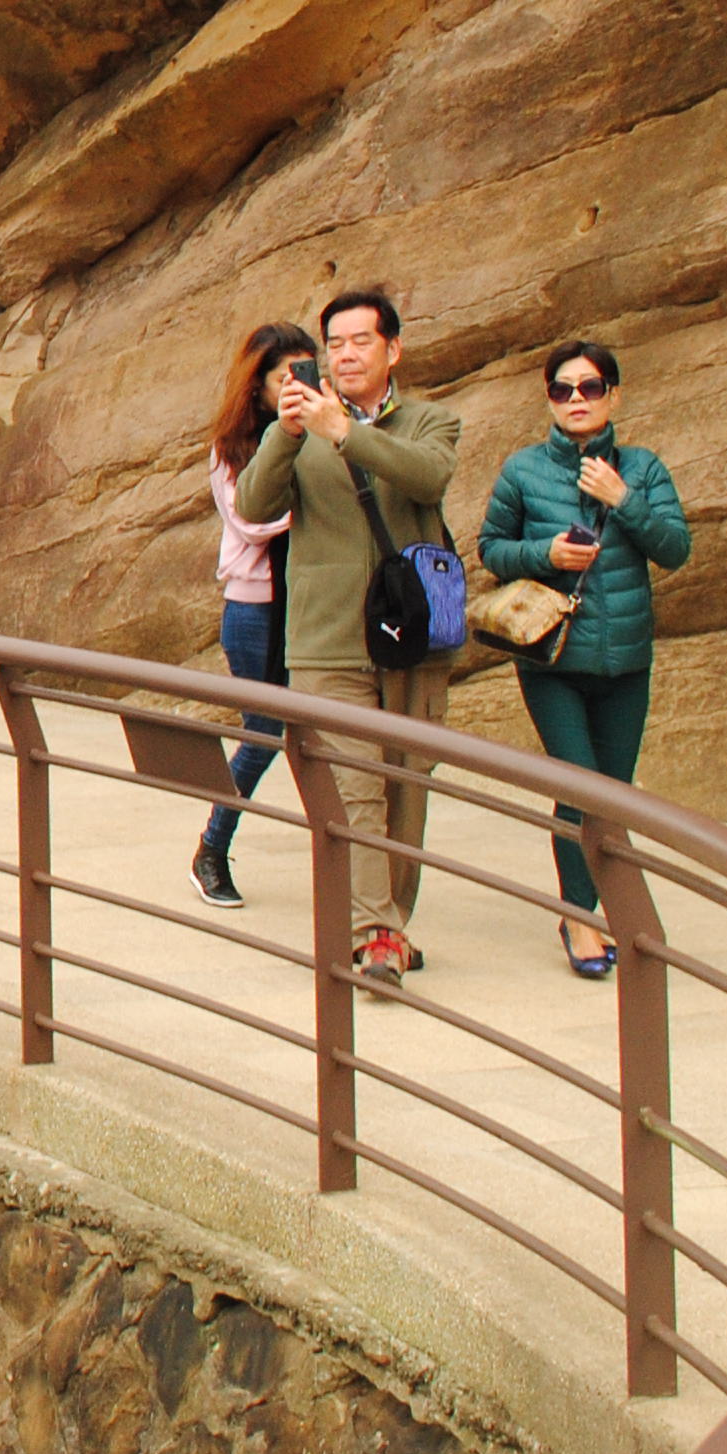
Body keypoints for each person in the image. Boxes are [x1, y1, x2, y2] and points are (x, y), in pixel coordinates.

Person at [235, 288, 460, 993]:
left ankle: (389, 922)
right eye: (335, 343)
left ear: (393, 349)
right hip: (328, 640)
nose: (347, 354)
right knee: (356, 792)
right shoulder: (297, 428)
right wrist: (287, 432)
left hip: (414, 640)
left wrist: (346, 431)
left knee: (407, 790)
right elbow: (253, 505)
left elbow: (427, 476)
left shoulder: (431, 420)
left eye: (362, 341)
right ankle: (375, 935)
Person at [477, 340, 692, 978]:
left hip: (625, 660)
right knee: (579, 786)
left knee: (613, 795)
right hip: (552, 661)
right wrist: (546, 553)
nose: (577, 399)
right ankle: (579, 916)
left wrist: (624, 499)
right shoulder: (523, 471)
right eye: (562, 389)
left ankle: (602, 908)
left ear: (613, 396)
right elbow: (491, 548)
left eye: (591, 387)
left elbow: (675, 548)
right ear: (549, 399)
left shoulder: (642, 469)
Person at [189, 322, 314, 910]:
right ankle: (211, 849)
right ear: (258, 383)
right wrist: (318, 510)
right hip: (256, 608)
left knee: (319, 737)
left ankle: (346, 860)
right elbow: (251, 520)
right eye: (287, 376)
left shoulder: (324, 433)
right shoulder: (231, 446)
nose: (299, 386)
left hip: (313, 604)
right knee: (264, 734)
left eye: (308, 373)